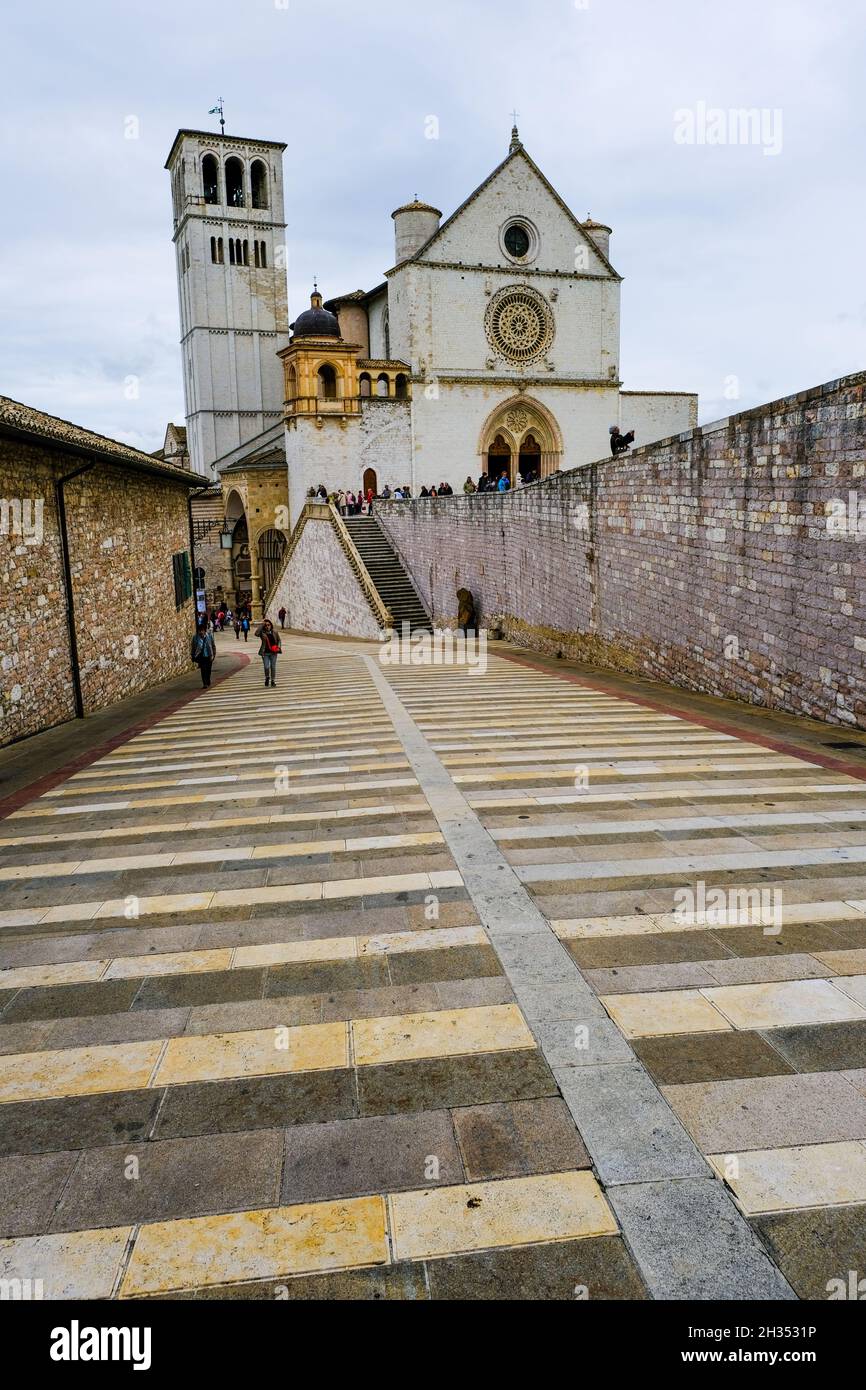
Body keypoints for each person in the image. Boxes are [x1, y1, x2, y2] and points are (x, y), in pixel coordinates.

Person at [255, 617, 282, 687]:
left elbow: (279, 640)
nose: (267, 626)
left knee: (273, 667)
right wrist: (261, 625)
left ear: (271, 625)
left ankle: (273, 680)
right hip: (265, 653)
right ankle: (267, 677)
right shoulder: (262, 633)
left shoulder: (275, 632)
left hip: (273, 652)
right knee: (266, 666)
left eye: (268, 625)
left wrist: (279, 647)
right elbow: (256, 634)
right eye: (266, 625)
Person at [191, 617, 216, 688]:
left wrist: (213, 654)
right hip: (201, 656)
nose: (201, 632)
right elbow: (193, 647)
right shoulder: (195, 638)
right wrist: (193, 655)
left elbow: (213, 645)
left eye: (202, 630)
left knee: (208, 670)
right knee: (203, 670)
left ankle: (208, 680)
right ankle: (205, 683)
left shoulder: (209, 636)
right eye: (200, 631)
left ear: (205, 630)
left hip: (209, 655)